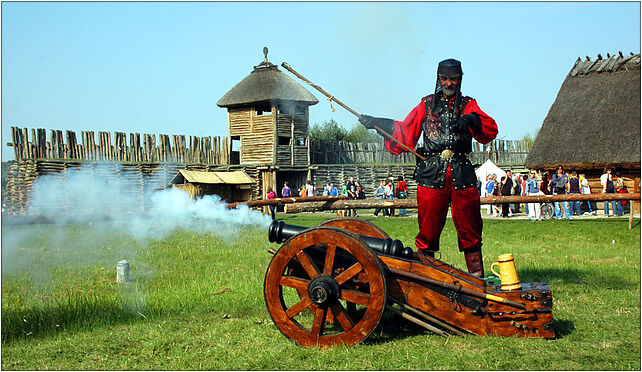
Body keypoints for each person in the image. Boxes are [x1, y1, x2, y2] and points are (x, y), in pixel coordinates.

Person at [359, 58, 498, 277]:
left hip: (462, 173)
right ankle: (428, 280)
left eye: (453, 79)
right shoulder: (426, 104)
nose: (449, 83)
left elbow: (490, 129)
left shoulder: (469, 104)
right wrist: (379, 123)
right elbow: (406, 132)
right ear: (438, 78)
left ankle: (477, 280)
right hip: (432, 174)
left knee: (470, 228)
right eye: (444, 78)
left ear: (460, 79)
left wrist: (471, 119)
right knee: (428, 231)